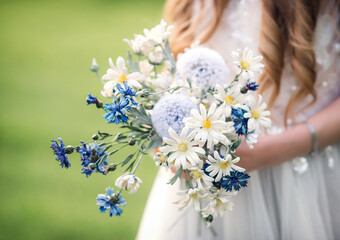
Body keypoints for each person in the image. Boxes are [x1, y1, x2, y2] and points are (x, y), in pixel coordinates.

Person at [137, 0, 340, 239]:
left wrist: (268, 150)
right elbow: (179, 70)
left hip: (309, 177)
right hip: (208, 183)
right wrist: (168, 135)